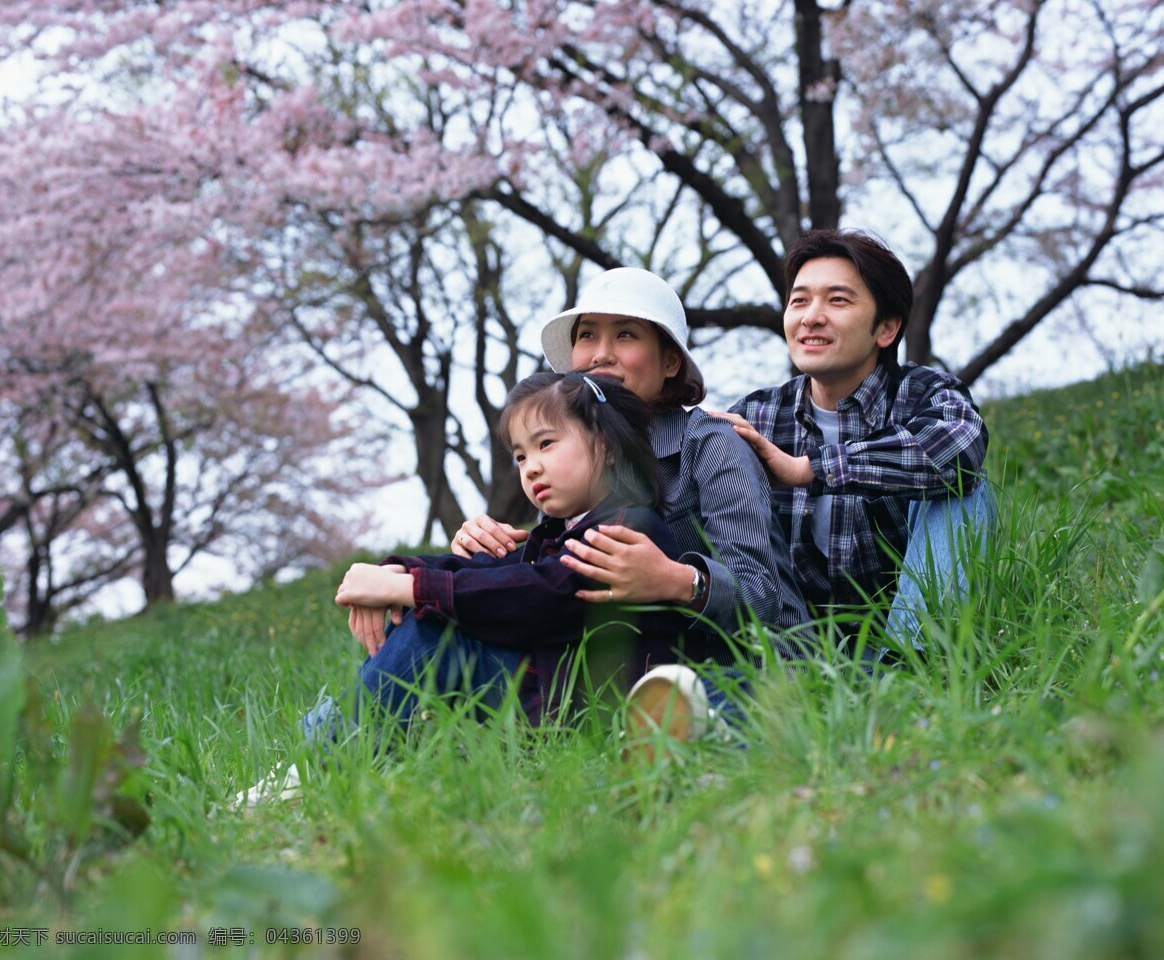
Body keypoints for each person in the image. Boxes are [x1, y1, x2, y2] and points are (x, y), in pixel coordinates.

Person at [236, 371, 688, 805]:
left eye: (546, 444)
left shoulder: (628, 528)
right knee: (430, 611)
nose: (532, 468)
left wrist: (412, 587)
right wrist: (396, 575)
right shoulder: (553, 535)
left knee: (436, 630)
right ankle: (334, 751)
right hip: (545, 709)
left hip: (588, 721)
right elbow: (481, 572)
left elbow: (538, 595)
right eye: (520, 456)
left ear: (605, 445)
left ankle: (319, 763)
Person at [452, 267, 810, 743]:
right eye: (586, 336)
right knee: (439, 639)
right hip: (618, 679)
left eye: (625, 334)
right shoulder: (569, 463)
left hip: (741, 671)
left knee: (697, 707)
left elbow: (763, 600)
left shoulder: (711, 445)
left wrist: (678, 581)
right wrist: (474, 555)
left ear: (669, 363)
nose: (600, 353)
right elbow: (551, 597)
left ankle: (679, 735)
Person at [718, 228, 991, 647]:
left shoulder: (924, 395)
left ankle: (907, 673)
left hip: (902, 637)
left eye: (837, 300)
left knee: (967, 488)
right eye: (799, 300)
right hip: (797, 652)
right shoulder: (757, 417)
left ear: (886, 328)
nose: (811, 316)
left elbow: (961, 445)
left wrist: (811, 468)